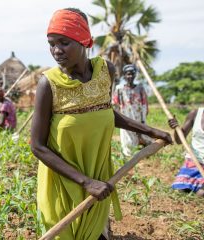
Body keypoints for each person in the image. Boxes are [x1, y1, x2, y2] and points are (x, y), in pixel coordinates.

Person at [30, 8, 172, 240]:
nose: (56, 51)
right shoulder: (49, 84)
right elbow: (37, 146)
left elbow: (105, 112)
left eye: (64, 42)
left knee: (96, 232)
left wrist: (150, 130)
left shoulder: (106, 70)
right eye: (51, 43)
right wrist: (86, 182)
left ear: (83, 40)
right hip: (63, 176)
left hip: (96, 168)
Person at [112, 64, 153, 156]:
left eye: (131, 74)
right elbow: (115, 104)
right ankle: (127, 154)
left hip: (138, 116)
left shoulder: (140, 88)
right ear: (124, 75)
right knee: (127, 136)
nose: (129, 76)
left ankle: (141, 152)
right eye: (127, 74)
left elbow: (144, 104)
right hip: (125, 115)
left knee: (140, 134)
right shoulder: (120, 89)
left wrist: (143, 118)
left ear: (135, 75)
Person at [168, 110, 204, 197]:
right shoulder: (195, 114)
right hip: (194, 162)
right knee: (179, 189)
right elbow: (179, 140)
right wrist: (176, 129)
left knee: (201, 193)